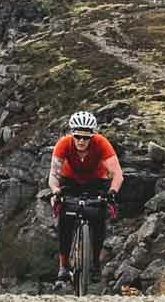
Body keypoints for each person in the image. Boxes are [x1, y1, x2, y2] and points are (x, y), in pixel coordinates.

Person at [49, 110, 123, 284]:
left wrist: (112, 192)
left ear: (92, 136)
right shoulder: (63, 144)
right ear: (71, 134)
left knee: (99, 219)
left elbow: (117, 173)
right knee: (64, 221)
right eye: (77, 136)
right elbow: (53, 174)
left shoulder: (102, 144)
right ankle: (64, 265)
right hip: (70, 181)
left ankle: (95, 264)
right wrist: (55, 190)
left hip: (97, 181)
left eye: (86, 137)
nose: (81, 141)